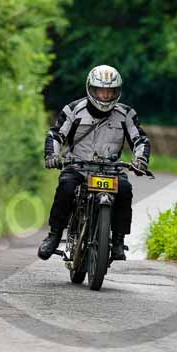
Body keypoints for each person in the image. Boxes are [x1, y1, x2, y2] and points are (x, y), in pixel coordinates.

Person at [37, 64, 151, 262]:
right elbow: (56, 134)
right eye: (101, 91)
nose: (105, 96)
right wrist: (52, 156)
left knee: (124, 189)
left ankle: (117, 241)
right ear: (91, 89)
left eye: (110, 92)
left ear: (117, 92)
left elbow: (140, 139)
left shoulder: (126, 114)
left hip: (111, 170)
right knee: (66, 187)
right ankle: (54, 235)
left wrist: (140, 160)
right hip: (78, 167)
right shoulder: (73, 110)